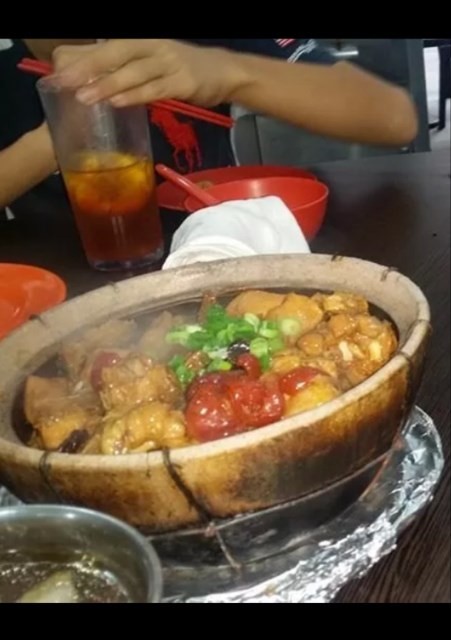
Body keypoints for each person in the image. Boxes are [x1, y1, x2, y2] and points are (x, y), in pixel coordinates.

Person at [0, 38, 418, 211]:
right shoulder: (9, 67)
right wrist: (58, 137)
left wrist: (226, 70)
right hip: (54, 290)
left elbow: (394, 117)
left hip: (217, 244)